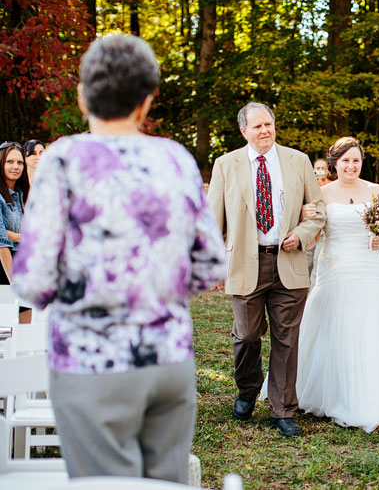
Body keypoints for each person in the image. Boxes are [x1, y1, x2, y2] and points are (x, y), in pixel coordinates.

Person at [11, 34, 226, 483]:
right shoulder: (176, 159)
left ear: (82, 95)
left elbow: (31, 281)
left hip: (92, 365)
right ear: (148, 100)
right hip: (168, 360)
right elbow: (211, 266)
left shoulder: (62, 160)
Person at [207, 102, 326, 437]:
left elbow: (317, 212)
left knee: (287, 339)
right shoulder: (226, 165)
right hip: (246, 262)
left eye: (269, 124)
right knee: (246, 335)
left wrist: (300, 236)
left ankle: (283, 409)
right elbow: (213, 220)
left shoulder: (298, 161)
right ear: (244, 131)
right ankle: (247, 388)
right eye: (257, 126)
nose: (265, 131)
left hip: (287, 261)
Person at [296, 137, 379, 432]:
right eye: (345, 160)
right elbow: (314, 235)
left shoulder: (376, 191)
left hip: (368, 268)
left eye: (356, 160)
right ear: (335, 163)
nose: (351, 166)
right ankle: (327, 394)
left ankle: (373, 402)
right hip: (333, 267)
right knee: (331, 328)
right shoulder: (322, 193)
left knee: (368, 330)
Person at [0, 142, 29, 283]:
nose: (16, 167)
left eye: (20, 163)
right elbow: (1, 242)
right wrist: (14, 282)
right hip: (5, 268)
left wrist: (14, 236)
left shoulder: (22, 194)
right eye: (10, 162)